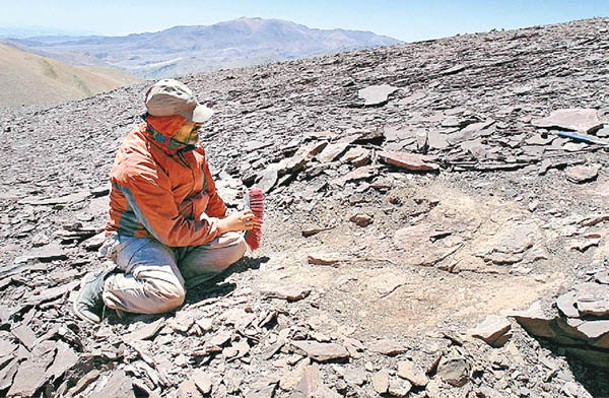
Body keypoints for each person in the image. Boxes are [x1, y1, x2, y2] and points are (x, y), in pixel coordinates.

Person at [73, 78, 259, 324]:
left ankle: (161, 278)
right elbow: (170, 233)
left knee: (235, 244)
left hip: (179, 230)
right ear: (170, 125)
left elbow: (209, 193)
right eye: (191, 123)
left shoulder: (186, 141)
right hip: (139, 238)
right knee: (168, 296)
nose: (199, 128)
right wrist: (224, 225)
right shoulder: (138, 167)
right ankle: (106, 286)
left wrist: (228, 220)